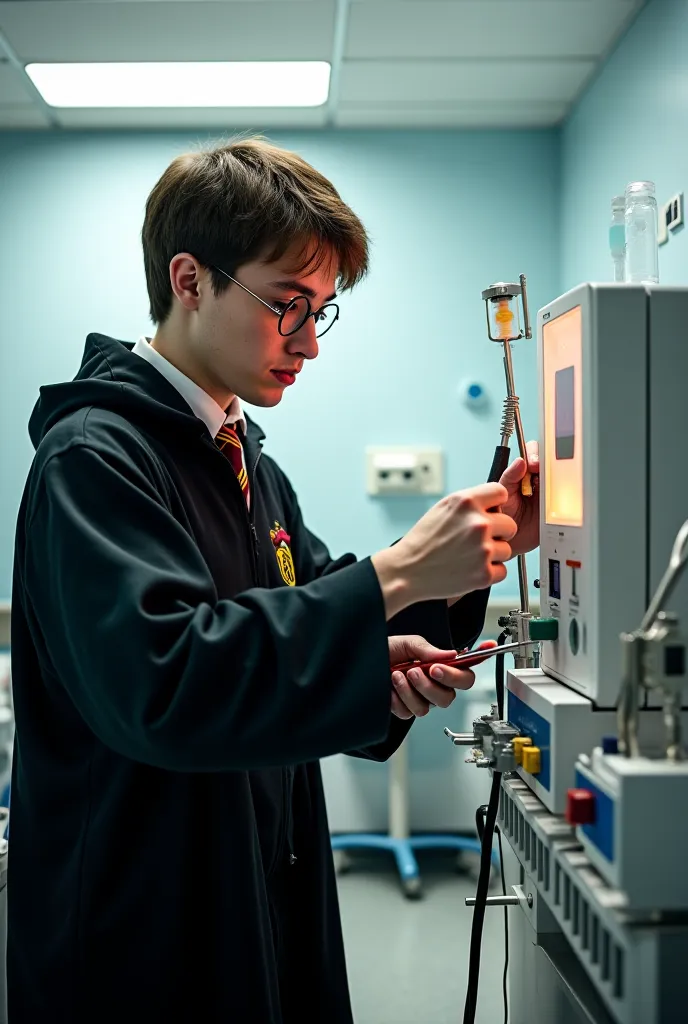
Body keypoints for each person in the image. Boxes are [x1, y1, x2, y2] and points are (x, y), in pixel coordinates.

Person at [8, 138, 539, 1023]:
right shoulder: (94, 459)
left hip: (256, 885)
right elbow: (168, 680)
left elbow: (304, 613)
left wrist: (434, 601)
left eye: (320, 312)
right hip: (138, 925)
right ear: (189, 278)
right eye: (287, 305)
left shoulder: (247, 461)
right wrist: (398, 571)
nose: (308, 344)